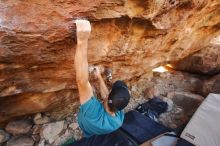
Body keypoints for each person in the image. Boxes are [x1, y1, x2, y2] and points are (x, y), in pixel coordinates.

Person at [74, 20, 130, 138]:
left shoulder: (93, 112)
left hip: (84, 123)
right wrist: (99, 77)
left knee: (87, 127)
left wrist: (82, 41)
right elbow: (107, 99)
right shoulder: (119, 118)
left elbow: (82, 82)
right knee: (90, 133)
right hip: (95, 130)